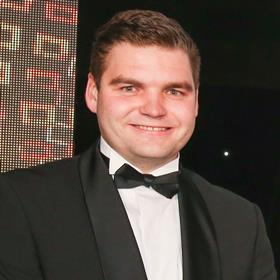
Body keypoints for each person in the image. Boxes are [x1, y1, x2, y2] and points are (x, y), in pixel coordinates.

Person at [0, 9, 277, 280]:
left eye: (174, 91)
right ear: (93, 94)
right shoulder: (19, 203)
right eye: (130, 88)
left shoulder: (241, 221)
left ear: (196, 102)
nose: (154, 109)